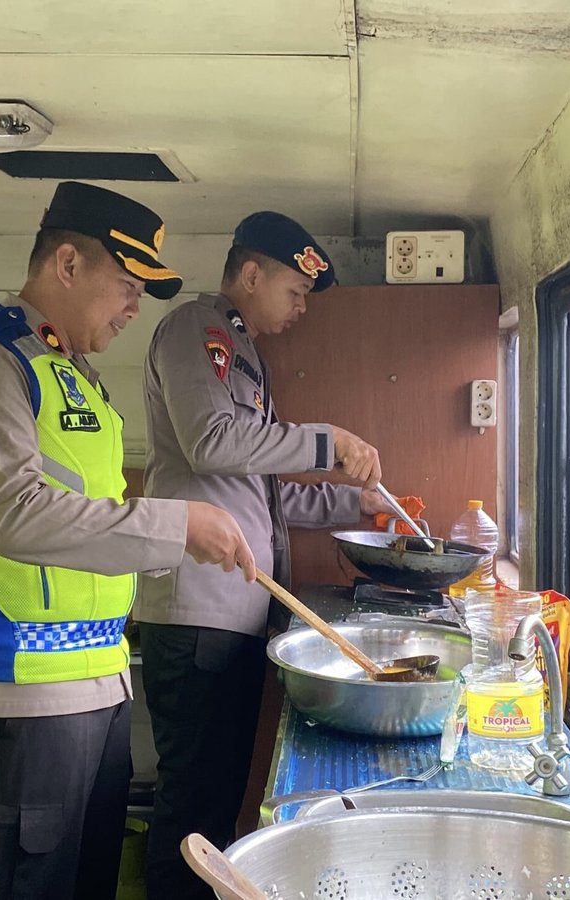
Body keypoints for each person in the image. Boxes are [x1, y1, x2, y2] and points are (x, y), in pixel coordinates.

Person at [0, 180, 255, 899]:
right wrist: (177, 524)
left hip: (92, 682)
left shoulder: (73, 375)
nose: (136, 306)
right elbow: (13, 513)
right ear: (66, 265)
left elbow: (87, 517)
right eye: (127, 284)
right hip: (12, 690)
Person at [136, 211, 388, 898]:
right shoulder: (198, 330)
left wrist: (356, 505)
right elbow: (210, 443)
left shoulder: (245, 360)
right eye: (294, 292)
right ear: (250, 274)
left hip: (234, 616)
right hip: (196, 618)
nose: (301, 310)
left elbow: (267, 500)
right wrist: (326, 440)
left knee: (215, 805)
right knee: (192, 808)